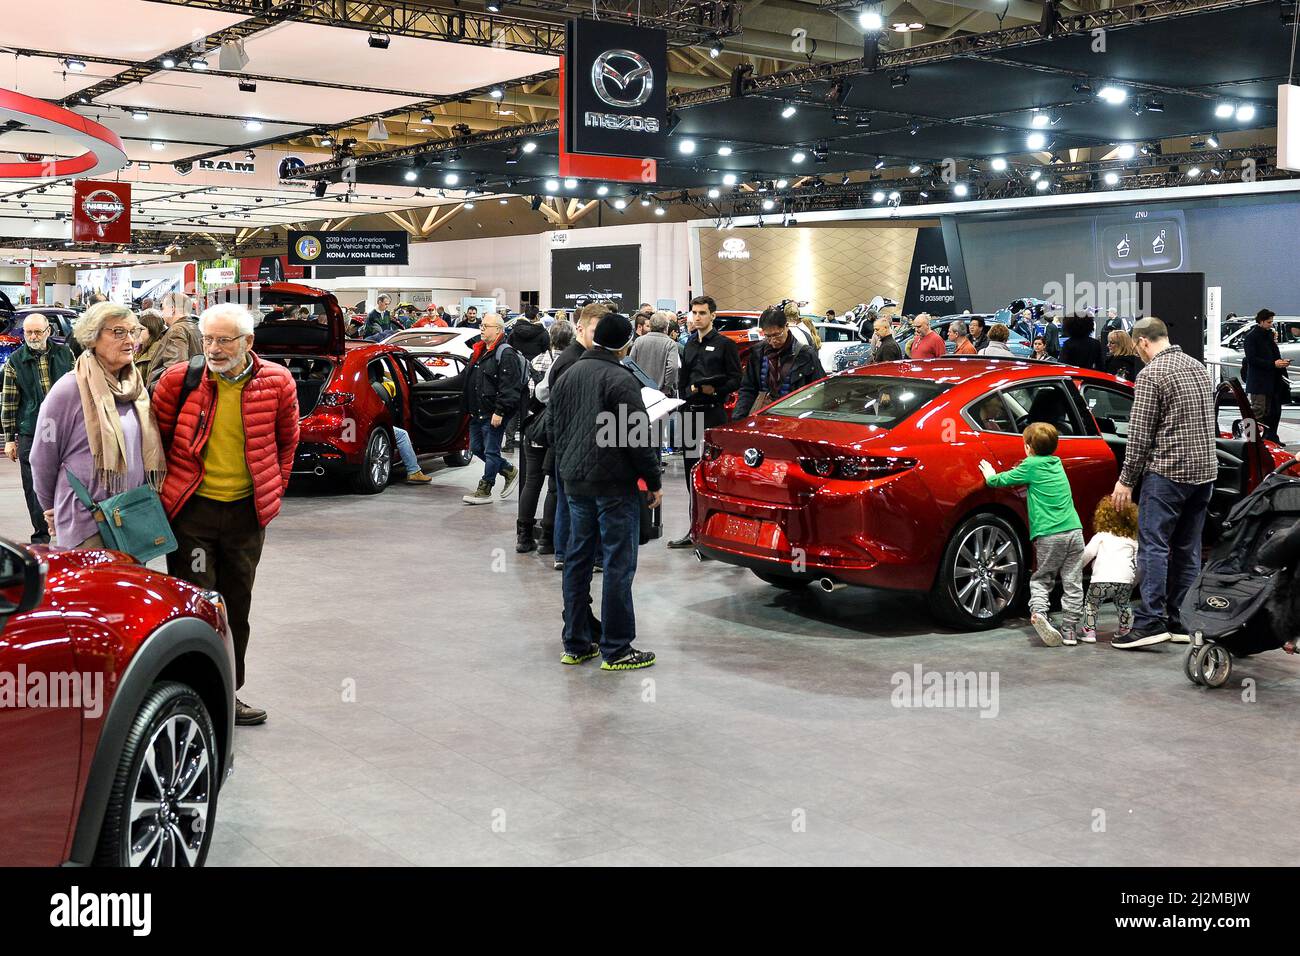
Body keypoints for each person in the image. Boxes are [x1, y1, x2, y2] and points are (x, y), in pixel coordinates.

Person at [152, 302, 299, 726]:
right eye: (208, 340)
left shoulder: (277, 381)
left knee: (236, 606)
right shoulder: (178, 381)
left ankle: (228, 693)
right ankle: (188, 691)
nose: (213, 349)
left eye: (224, 340)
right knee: (196, 604)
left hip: (245, 517)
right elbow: (155, 442)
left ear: (248, 342)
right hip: (191, 513)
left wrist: (274, 489)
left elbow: (287, 441)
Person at [548, 311, 662, 671]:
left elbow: (551, 429)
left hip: (574, 485)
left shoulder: (569, 374)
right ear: (625, 343)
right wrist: (653, 481)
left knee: (578, 561)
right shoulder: (620, 379)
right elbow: (637, 436)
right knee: (617, 563)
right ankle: (616, 648)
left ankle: (577, 641)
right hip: (614, 488)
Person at [1110, 317, 1217, 649]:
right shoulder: (1199, 367)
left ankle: (1150, 622)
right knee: (1188, 549)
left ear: (1143, 342)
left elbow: (1140, 436)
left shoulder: (1151, 374)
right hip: (1206, 473)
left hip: (1168, 474)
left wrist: (1126, 480)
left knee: (1154, 546)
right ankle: (1181, 620)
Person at [30, 303, 164, 549]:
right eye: (118, 332)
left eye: (134, 332)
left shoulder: (135, 388)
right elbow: (42, 457)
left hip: (130, 516)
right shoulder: (69, 389)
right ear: (92, 337)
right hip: (86, 521)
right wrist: (51, 508)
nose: (130, 340)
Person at [980, 423, 1084, 646]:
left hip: (1050, 533)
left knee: (1042, 578)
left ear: (1027, 447)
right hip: (1075, 531)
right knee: (1073, 581)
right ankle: (1070, 630)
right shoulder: (1057, 464)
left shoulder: (1030, 465)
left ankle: (1039, 614)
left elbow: (1002, 480)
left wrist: (989, 475)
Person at [668, 295, 741, 548]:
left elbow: (735, 379)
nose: (697, 317)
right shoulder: (688, 345)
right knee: (691, 472)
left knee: (713, 472)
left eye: (702, 313)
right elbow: (682, 379)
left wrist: (715, 391)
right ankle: (694, 530)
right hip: (690, 412)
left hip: (713, 413)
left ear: (713, 315)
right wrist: (685, 397)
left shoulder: (725, 345)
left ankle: (720, 532)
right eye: (694, 313)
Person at [538, 304, 605, 567]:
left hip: (569, 444)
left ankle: (565, 554)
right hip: (572, 445)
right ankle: (567, 555)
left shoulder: (572, 358)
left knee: (568, 501)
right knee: (572, 502)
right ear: (580, 327)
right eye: (595, 330)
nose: (599, 338)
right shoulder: (574, 361)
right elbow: (563, 409)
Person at [2, 311, 75, 542]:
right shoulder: (15, 361)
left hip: (66, 430)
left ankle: (70, 530)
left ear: (48, 332)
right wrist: (10, 439)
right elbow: (9, 401)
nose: (32, 336)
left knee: (70, 480)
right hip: (31, 430)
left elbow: (79, 391)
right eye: (28, 332)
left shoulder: (65, 353)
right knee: (33, 485)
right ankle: (41, 535)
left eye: (37, 332)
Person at [517, 319, 572, 554]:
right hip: (555, 430)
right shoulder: (571, 363)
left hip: (534, 429)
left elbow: (532, 393)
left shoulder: (537, 360)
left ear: (550, 339)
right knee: (553, 487)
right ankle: (548, 540)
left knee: (531, 482)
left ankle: (523, 536)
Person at [460, 312, 522, 504]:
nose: (481, 328)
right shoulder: (478, 352)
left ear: (498, 330)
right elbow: (467, 379)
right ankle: (508, 470)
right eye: (481, 325)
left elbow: (509, 387)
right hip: (476, 412)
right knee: (477, 447)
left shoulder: (506, 353)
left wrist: (500, 411)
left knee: (491, 451)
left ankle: (485, 488)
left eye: (486, 326)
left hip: (493, 413)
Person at [734, 305, 824, 419]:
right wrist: (739, 418)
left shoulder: (805, 354)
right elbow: (748, 389)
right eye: (768, 336)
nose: (773, 341)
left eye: (777, 335)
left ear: (786, 327)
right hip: (762, 416)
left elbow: (819, 390)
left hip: (795, 418)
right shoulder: (757, 352)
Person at [1081, 496, 1139, 644]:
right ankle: (1124, 630)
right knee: (1123, 604)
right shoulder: (1132, 540)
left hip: (1101, 580)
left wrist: (1076, 568)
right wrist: (1134, 581)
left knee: (1091, 604)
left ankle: (1089, 631)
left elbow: (1087, 554)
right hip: (1124, 581)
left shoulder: (1100, 536)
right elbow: (1138, 563)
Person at [1243, 308, 1290, 442]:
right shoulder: (1252, 337)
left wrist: (1279, 363)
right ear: (1261, 321)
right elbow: (1251, 359)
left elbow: (1272, 355)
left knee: (1269, 412)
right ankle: (1250, 440)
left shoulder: (1268, 336)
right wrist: (1273, 364)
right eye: (1269, 322)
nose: (1271, 325)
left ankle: (1266, 439)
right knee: (1258, 411)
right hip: (1259, 382)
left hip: (1271, 381)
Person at [145, 291, 201, 388]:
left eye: (163, 308)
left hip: (171, 398)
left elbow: (175, 374)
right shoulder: (196, 328)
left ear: (172, 309)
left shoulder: (177, 330)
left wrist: (155, 390)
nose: (162, 313)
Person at [629, 311, 680, 397]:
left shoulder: (639, 341)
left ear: (651, 325)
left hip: (641, 391)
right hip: (662, 393)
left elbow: (631, 364)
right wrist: (667, 388)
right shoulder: (670, 344)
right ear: (667, 327)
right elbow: (673, 367)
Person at [133, 308, 166, 380]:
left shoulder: (156, 354)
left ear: (152, 330)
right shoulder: (141, 348)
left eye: (141, 329)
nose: (137, 332)